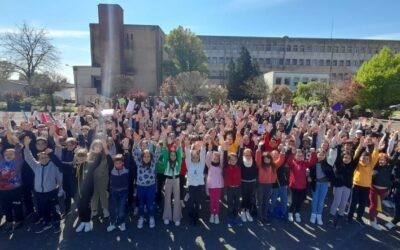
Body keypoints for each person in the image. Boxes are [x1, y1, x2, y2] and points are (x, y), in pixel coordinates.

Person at [23, 136, 63, 234]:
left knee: (54, 209)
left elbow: (57, 156)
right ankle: (47, 223)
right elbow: (28, 157)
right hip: (39, 193)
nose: (44, 159)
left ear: (49, 158)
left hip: (51, 191)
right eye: (41, 158)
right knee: (43, 208)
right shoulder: (36, 165)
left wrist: (57, 146)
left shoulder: (53, 165)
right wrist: (26, 146)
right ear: (38, 158)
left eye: (46, 157)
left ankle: (57, 224)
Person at [347, 136, 379, 225]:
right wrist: (361, 145)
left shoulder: (371, 164)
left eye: (367, 159)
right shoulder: (358, 164)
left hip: (366, 187)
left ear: (369, 160)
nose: (365, 160)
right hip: (356, 185)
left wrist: (376, 146)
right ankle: (350, 216)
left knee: (362, 203)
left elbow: (375, 156)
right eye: (363, 158)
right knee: (353, 202)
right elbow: (357, 154)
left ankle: (359, 217)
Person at [132, 133, 162, 229]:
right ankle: (141, 217)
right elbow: (134, 152)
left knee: (150, 204)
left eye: (148, 156)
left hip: (151, 187)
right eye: (145, 156)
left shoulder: (153, 163)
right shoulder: (139, 162)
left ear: (151, 157)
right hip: (140, 186)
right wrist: (136, 143)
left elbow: (158, 153)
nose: (146, 158)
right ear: (142, 157)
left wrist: (156, 145)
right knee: (141, 204)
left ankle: (151, 217)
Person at [255, 144, 285, 225]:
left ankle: (265, 217)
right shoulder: (260, 165)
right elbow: (257, 158)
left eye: (268, 158)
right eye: (265, 159)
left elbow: (280, 160)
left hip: (269, 185)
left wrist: (282, 151)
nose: (267, 160)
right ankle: (259, 218)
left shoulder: (274, 165)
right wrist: (258, 148)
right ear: (263, 159)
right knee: (260, 202)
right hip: (261, 185)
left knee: (266, 201)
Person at [0, 133, 24, 233]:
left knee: (17, 205)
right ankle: (9, 221)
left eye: (11, 154)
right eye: (6, 154)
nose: (8, 156)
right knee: (6, 207)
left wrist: (16, 143)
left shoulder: (18, 162)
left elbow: (18, 150)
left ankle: (18, 221)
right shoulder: (1, 162)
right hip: (3, 190)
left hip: (15, 189)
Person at [287, 148, 317, 223]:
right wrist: (292, 153)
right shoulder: (293, 163)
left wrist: (312, 153)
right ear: (295, 156)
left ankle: (297, 213)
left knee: (300, 201)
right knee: (293, 201)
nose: (299, 157)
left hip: (303, 186)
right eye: (298, 156)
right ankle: (290, 213)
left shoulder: (304, 163)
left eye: (301, 156)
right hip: (293, 186)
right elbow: (288, 161)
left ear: (303, 157)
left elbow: (312, 162)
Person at [185, 137, 206, 226]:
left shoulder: (201, 164)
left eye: (197, 157)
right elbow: (188, 156)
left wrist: (203, 146)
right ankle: (191, 214)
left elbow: (203, 155)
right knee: (192, 201)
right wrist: (187, 146)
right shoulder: (189, 165)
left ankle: (196, 216)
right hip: (191, 186)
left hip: (199, 186)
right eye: (193, 157)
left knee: (197, 202)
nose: (195, 158)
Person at [368, 153, 393, 230]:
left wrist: (398, 151)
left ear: (386, 161)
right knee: (374, 205)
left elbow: (394, 160)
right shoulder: (375, 167)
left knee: (378, 206)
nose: (381, 161)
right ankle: (372, 221)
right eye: (380, 160)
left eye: (383, 160)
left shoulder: (389, 168)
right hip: (374, 189)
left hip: (383, 191)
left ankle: (373, 217)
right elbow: (373, 157)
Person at [161, 140, 183, 226]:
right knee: (167, 198)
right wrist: (165, 140)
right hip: (168, 180)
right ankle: (167, 216)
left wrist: (179, 144)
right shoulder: (166, 162)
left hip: (176, 180)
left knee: (177, 199)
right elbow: (165, 151)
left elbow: (179, 152)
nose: (173, 156)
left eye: (174, 155)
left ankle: (176, 217)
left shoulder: (178, 162)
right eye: (171, 155)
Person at [107, 154, 129, 232]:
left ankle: (121, 222)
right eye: (116, 163)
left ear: (123, 163)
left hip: (123, 192)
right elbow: (108, 157)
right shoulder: (112, 170)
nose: (118, 165)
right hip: (114, 192)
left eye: (120, 163)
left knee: (121, 210)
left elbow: (127, 158)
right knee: (115, 209)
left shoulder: (126, 170)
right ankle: (114, 223)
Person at [206, 142, 224, 224]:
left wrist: (222, 150)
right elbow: (207, 158)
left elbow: (222, 158)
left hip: (218, 186)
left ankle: (216, 214)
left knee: (217, 200)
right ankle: (211, 214)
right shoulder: (209, 165)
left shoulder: (220, 166)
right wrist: (209, 151)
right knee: (212, 200)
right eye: (214, 158)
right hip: (211, 186)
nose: (215, 159)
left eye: (217, 158)